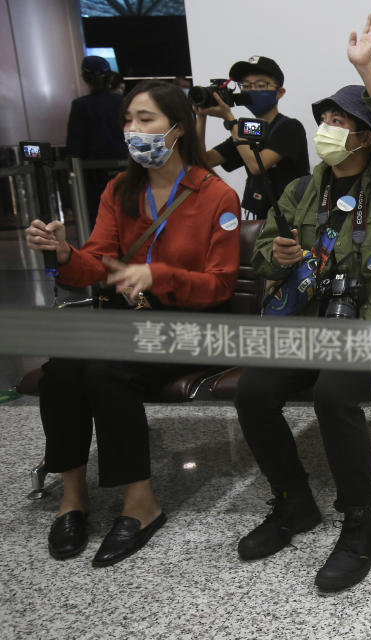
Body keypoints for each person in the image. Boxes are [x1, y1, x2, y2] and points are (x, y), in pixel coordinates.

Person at [233, 11, 371, 593]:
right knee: (254, 390)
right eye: (327, 119)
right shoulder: (300, 188)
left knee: (333, 392)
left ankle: (361, 522)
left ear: (364, 136)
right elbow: (263, 254)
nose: (330, 129)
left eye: (343, 122)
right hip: (311, 320)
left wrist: (367, 71)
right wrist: (280, 257)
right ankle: (293, 502)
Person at [25, 80, 241, 566]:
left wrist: (157, 274)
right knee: (62, 368)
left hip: (190, 324)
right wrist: (64, 253)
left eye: (146, 119)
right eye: (128, 120)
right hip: (129, 320)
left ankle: (141, 503)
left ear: (178, 129)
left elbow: (220, 286)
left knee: (106, 370)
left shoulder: (215, 195)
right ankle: (72, 497)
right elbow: (96, 265)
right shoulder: (120, 190)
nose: (133, 129)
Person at [196, 56, 309, 220]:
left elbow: (257, 165)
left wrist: (229, 118)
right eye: (247, 86)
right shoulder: (247, 130)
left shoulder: (291, 127)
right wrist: (201, 117)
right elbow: (203, 161)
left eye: (261, 85)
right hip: (260, 219)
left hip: (293, 218)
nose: (252, 91)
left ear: (280, 92)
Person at [66, 55, 128, 226]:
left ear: (85, 77)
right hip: (126, 170)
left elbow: (74, 146)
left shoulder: (81, 105)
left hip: (93, 176)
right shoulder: (123, 103)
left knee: (100, 220)